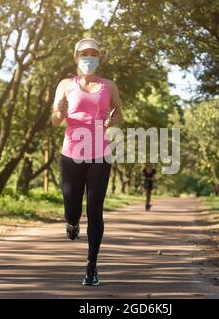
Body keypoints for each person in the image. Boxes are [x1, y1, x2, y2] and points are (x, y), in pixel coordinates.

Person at [51, 38, 123, 286]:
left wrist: (113, 120)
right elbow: (56, 121)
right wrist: (59, 111)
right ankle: (72, 223)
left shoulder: (108, 86)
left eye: (94, 53)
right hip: (71, 153)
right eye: (84, 53)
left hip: (100, 155)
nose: (89, 57)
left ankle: (91, 266)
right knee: (72, 208)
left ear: (99, 58)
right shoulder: (65, 85)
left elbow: (118, 111)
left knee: (95, 210)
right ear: (76, 57)